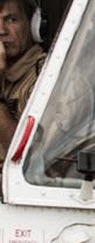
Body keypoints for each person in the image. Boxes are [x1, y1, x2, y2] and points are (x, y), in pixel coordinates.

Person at [0, 0, 44, 165]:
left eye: (11, 20)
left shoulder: (46, 78)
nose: (1, 31)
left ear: (35, 25)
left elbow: (30, 161)